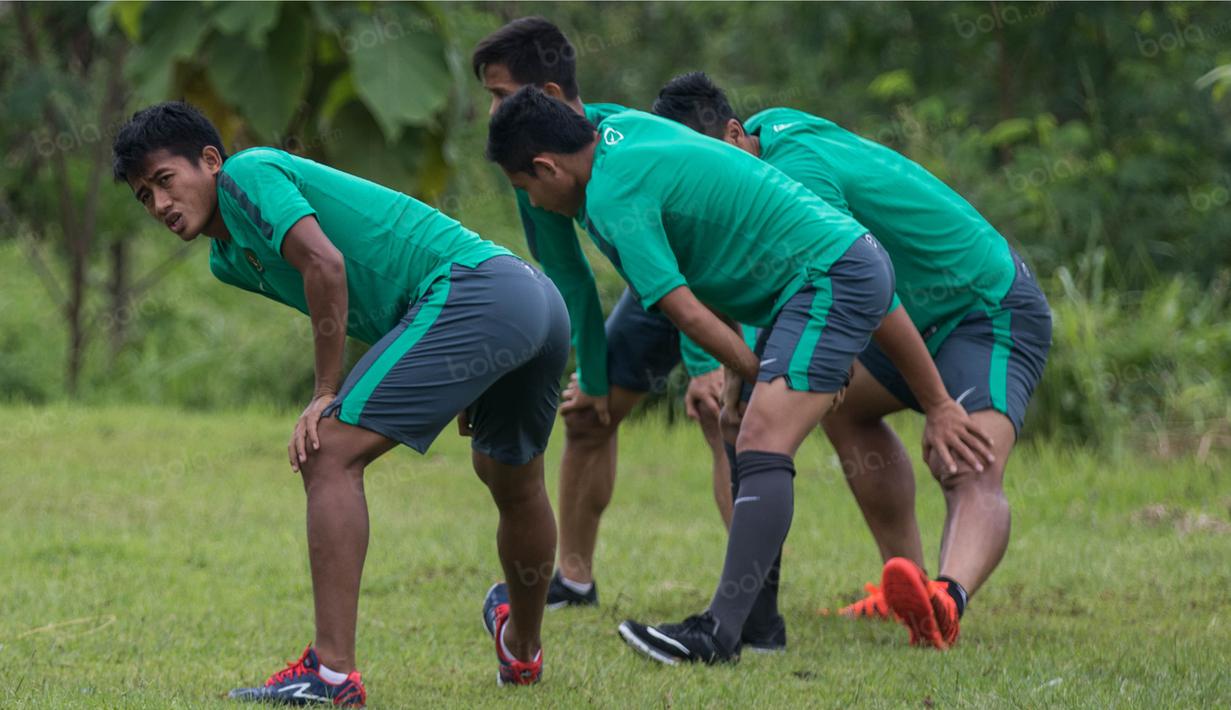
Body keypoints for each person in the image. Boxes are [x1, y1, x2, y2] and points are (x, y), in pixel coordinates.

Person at [485, 87, 991, 663]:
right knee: (737, 427)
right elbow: (711, 243)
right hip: (812, 280)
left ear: (547, 166)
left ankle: (717, 635)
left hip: (827, 278)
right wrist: (743, 383)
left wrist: (751, 368)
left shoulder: (610, 199)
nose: (536, 203)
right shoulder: (624, 132)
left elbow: (685, 309)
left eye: (526, 189)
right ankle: (761, 625)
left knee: (761, 439)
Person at [111, 101, 569, 696]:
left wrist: (325, 392)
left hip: (475, 290)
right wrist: (461, 367)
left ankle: (330, 673)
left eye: (165, 181)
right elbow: (371, 291)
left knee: (326, 451)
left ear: (209, 160)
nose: (160, 205)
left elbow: (326, 268)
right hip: (527, 298)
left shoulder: (248, 175)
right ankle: (522, 650)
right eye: (144, 196)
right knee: (511, 479)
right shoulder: (228, 261)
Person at [653, 72, 1052, 649]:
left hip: (981, 307)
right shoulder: (764, 140)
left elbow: (866, 281)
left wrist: (939, 404)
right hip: (901, 324)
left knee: (966, 462)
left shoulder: (793, 172)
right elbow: (779, 279)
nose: (703, 184)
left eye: (709, 163)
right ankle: (907, 588)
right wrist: (749, 374)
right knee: (840, 408)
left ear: (736, 134)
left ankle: (947, 599)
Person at [471, 18, 745, 617]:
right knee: (587, 421)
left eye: (498, 95)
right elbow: (568, 276)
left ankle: (750, 595)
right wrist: (592, 380)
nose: (492, 111)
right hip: (656, 290)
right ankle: (573, 578)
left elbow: (694, 266)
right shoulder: (532, 161)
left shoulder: (618, 139)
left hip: (718, 281)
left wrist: (705, 366)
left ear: (543, 95)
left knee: (720, 413)